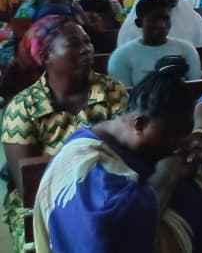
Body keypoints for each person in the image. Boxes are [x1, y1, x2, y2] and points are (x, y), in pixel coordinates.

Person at [32, 60, 202, 253]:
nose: (177, 144)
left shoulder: (157, 132)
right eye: (170, 136)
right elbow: (111, 233)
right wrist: (168, 175)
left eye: (182, 135)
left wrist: (201, 134)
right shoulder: (86, 163)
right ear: (140, 124)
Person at [1, 15, 130, 252]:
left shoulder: (112, 91)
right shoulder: (23, 108)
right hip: (43, 206)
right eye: (75, 43)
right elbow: (29, 186)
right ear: (46, 54)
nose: (86, 50)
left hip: (107, 194)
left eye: (87, 42)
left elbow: (128, 154)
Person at [108, 0, 202, 87]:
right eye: (154, 19)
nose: (161, 25)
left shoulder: (186, 49)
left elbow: (195, 87)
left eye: (166, 19)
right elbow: (124, 96)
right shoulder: (122, 56)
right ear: (139, 23)